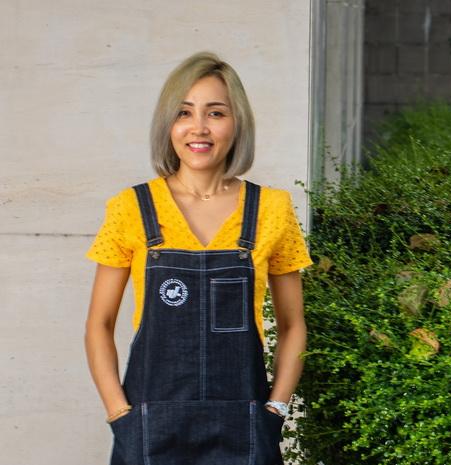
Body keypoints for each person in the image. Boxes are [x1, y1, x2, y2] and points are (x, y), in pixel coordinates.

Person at [84, 51, 313, 465]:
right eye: (184, 112)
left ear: (237, 122)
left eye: (216, 113)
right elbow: (98, 324)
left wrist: (276, 410)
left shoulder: (272, 209)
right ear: (168, 124)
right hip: (149, 429)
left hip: (244, 431)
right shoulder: (130, 208)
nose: (199, 128)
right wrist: (120, 414)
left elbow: (294, 324)